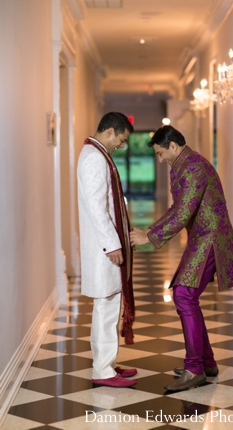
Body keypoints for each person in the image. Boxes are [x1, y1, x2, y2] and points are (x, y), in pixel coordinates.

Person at [130, 125, 233, 392]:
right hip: (201, 238)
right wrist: (149, 230)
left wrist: (149, 237)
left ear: (173, 146)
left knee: (183, 294)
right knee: (185, 295)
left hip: (210, 238)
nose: (160, 159)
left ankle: (195, 368)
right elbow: (177, 208)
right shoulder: (182, 165)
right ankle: (206, 363)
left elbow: (182, 213)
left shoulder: (192, 167)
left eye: (160, 153)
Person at [77, 112, 137, 388]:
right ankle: (102, 370)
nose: (121, 146)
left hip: (106, 243)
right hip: (104, 246)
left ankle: (108, 362)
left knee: (110, 304)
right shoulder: (93, 158)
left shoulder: (98, 154)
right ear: (111, 131)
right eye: (121, 140)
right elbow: (95, 206)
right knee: (105, 305)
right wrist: (112, 243)